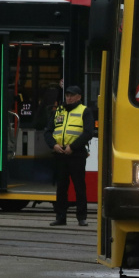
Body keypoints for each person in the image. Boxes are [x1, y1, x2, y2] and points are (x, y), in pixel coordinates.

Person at [44, 85, 94, 227]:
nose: (69, 98)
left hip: (76, 154)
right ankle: (60, 217)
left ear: (79, 97)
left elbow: (88, 132)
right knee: (61, 187)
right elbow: (48, 131)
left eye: (72, 95)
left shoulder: (85, 111)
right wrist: (53, 145)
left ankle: (82, 217)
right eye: (67, 95)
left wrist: (72, 147)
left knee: (79, 186)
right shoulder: (58, 111)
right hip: (60, 153)